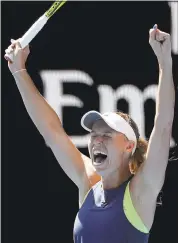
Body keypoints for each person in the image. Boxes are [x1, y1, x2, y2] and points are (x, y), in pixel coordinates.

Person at [5, 24, 175, 243]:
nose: (97, 140)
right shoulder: (89, 182)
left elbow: (162, 125)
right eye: (94, 135)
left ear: (129, 146)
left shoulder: (140, 193)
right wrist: (19, 71)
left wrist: (164, 62)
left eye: (107, 135)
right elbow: (52, 131)